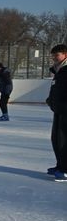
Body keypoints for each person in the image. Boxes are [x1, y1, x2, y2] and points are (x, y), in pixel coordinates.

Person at [46, 44, 67, 182]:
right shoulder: (58, 70)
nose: (54, 58)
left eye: (57, 55)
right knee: (56, 139)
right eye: (53, 55)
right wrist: (50, 100)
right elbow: (56, 89)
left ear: (65, 55)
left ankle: (65, 170)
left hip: (65, 109)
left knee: (64, 140)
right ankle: (60, 165)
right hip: (59, 110)